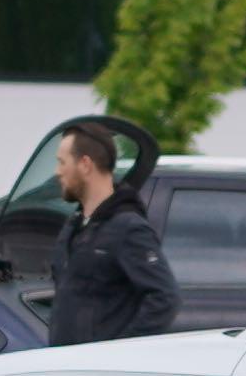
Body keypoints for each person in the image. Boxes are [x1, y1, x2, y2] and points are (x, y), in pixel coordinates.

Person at [47, 123, 179, 342]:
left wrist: (119, 352)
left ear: (85, 164)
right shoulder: (74, 227)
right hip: (66, 367)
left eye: (62, 162)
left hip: (99, 371)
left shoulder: (126, 228)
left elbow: (165, 298)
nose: (57, 171)